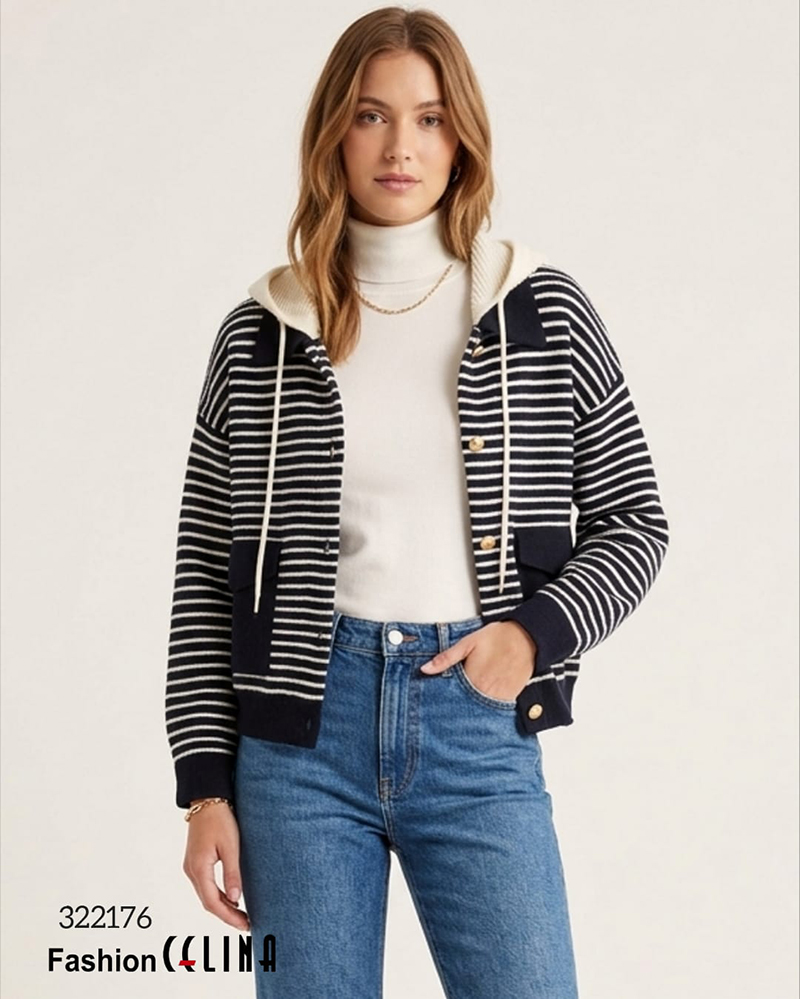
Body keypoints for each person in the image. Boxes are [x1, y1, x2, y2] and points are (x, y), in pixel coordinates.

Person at [165, 7, 670, 997]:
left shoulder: (538, 309)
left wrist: (529, 635)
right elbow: (204, 575)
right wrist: (204, 789)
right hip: (297, 744)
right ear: (334, 134)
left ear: (461, 138)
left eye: (430, 119)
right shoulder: (261, 334)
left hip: (475, 727)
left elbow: (633, 521)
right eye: (371, 115)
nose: (401, 146)